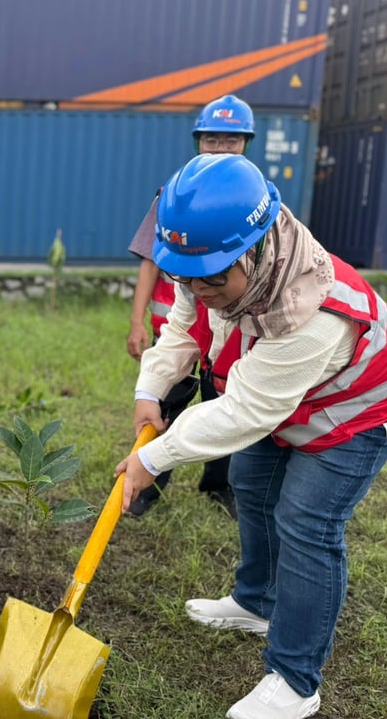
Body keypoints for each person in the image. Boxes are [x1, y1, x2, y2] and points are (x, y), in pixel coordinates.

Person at [117, 154, 387, 719]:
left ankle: (295, 681)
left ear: (256, 248)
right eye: (185, 276)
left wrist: (155, 457)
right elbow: (183, 327)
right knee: (250, 479)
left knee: (307, 523)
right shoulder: (208, 260)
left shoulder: (312, 311)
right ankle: (256, 603)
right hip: (286, 394)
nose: (197, 288)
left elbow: (245, 411)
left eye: (211, 279)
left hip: (358, 406)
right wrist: (151, 387)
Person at [125, 94, 257, 517]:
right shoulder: (173, 196)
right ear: (198, 140)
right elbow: (150, 261)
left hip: (229, 333)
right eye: (212, 139)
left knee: (226, 407)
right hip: (177, 328)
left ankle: (219, 485)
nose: (220, 148)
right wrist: (137, 322)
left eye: (231, 140)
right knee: (163, 403)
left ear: (246, 144)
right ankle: (147, 485)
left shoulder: (251, 199)